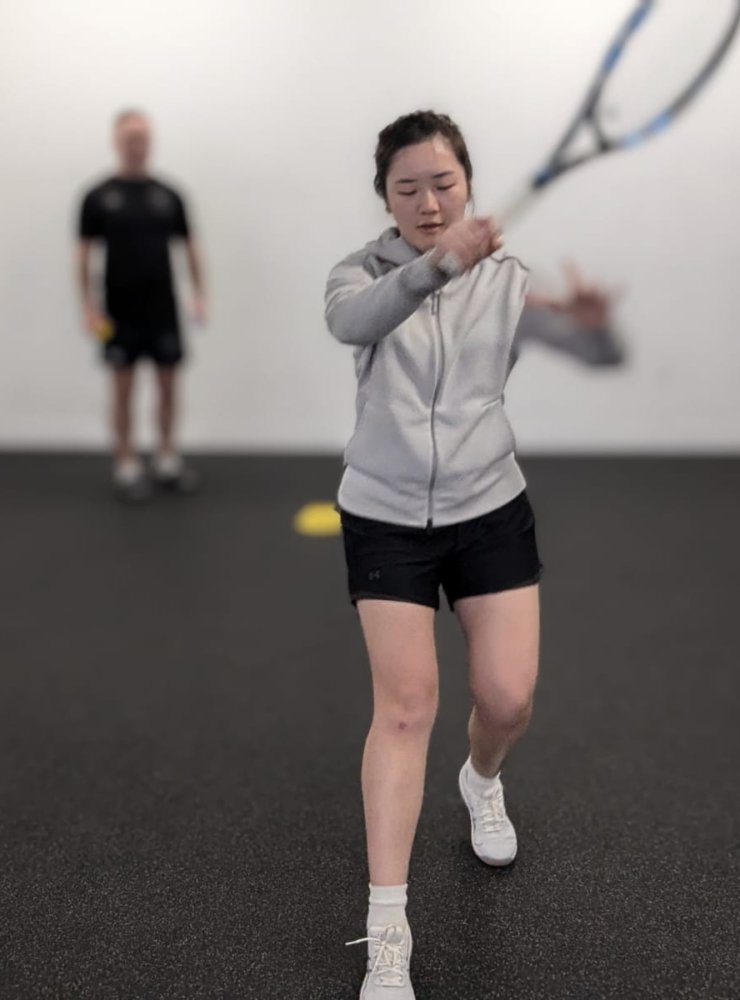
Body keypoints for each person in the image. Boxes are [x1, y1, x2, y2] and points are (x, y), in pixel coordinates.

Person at [325, 110, 544, 1000]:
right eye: (407, 186)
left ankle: (480, 779)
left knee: (507, 697)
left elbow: (578, 345)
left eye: (442, 183)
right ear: (385, 196)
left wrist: (596, 329)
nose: (427, 199)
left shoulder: (510, 277)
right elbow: (357, 323)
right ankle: (387, 930)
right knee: (407, 706)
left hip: (488, 507)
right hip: (383, 516)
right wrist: (439, 261)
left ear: (468, 185)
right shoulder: (357, 275)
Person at [77, 110, 206, 500]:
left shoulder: (169, 195)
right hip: (119, 309)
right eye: (129, 137)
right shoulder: (98, 197)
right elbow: (83, 255)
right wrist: (88, 306)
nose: (137, 144)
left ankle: (167, 458)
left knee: (168, 384)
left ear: (150, 142)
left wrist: (199, 295)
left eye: (143, 137)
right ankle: (127, 463)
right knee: (123, 386)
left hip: (161, 307)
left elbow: (190, 248)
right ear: (117, 141)